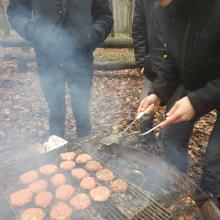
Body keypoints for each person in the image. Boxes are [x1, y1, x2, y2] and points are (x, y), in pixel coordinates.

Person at [138, 0, 220, 200]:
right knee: (171, 136)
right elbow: (172, 56)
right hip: (195, 80)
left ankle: (210, 200)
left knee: (215, 158)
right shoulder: (161, 9)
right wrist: (158, 92)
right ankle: (179, 190)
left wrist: (197, 101)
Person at [7, 0, 113, 138]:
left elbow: (105, 16)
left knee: (82, 111)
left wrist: (91, 35)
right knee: (55, 111)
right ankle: (56, 150)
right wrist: (34, 31)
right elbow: (15, 12)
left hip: (81, 58)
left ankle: (86, 148)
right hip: (48, 59)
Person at [132, 0, 166, 148]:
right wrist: (142, 60)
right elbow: (138, 29)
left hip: (178, 65)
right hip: (153, 66)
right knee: (145, 111)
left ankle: (164, 146)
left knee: (172, 116)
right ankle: (147, 142)